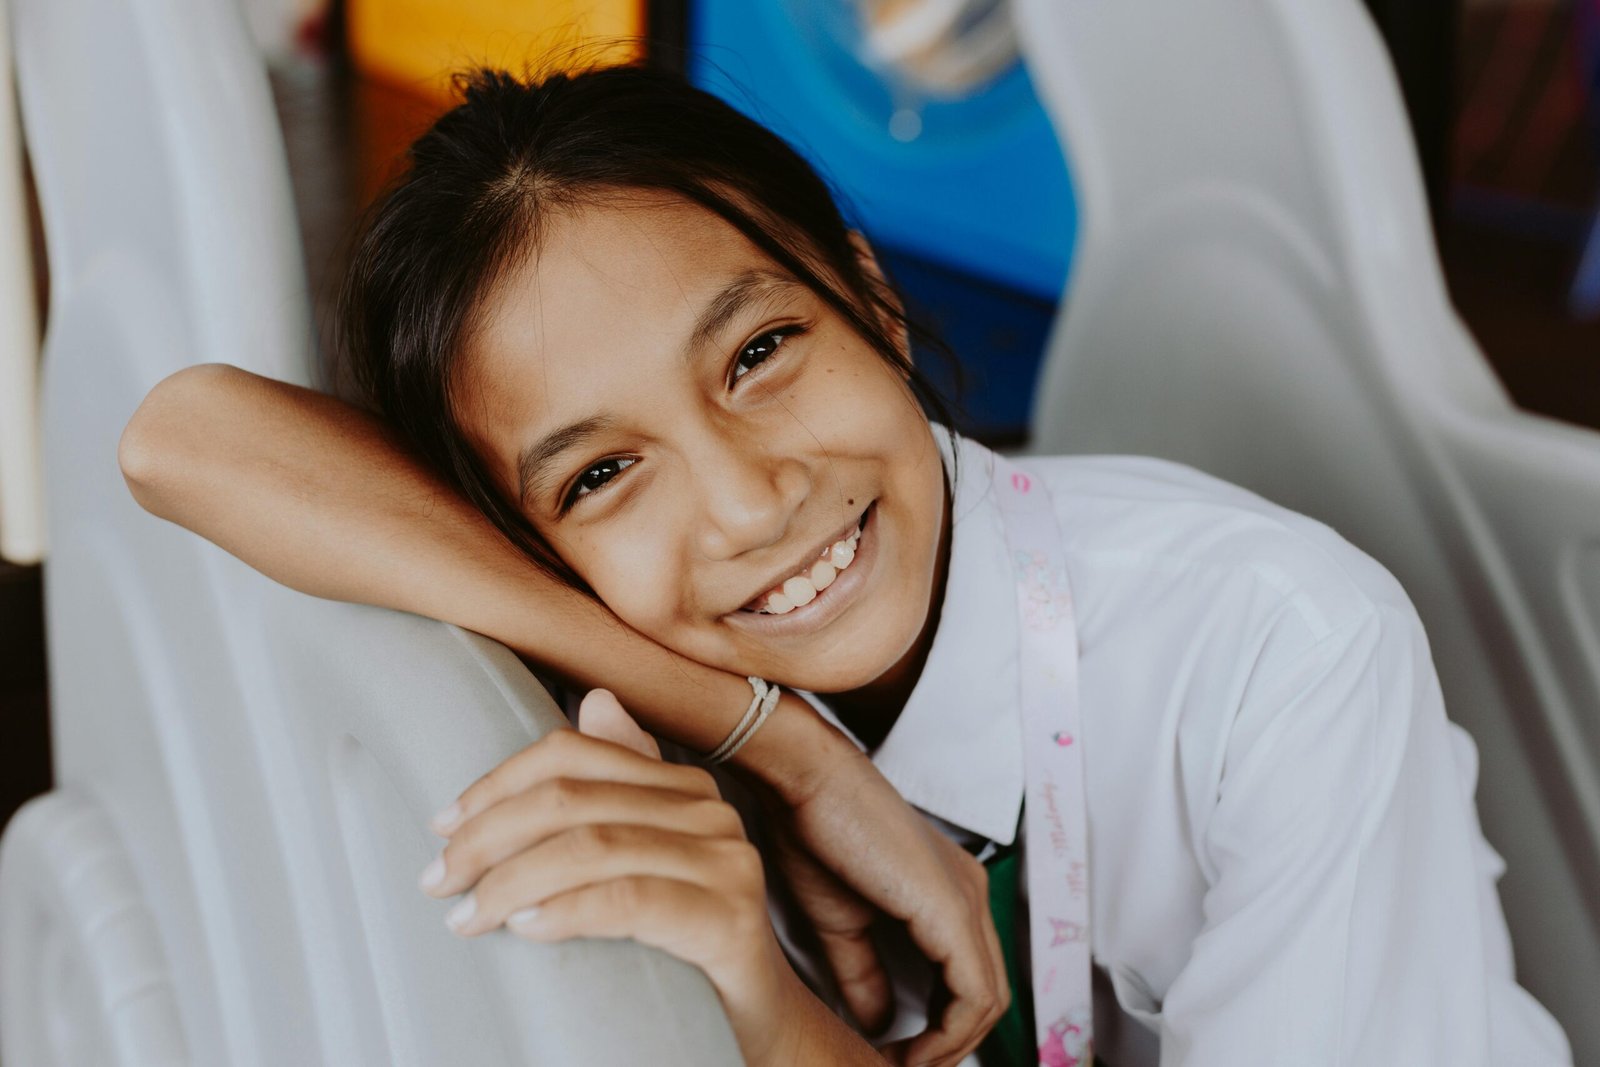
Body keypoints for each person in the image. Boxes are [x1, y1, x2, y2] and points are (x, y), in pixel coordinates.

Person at [117, 63, 1572, 1067]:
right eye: (601, 473)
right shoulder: (631, 696)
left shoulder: (1280, 649)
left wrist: (774, 908)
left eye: (759, 354)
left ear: (871, 304)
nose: (753, 501)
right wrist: (788, 762)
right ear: (523, 544)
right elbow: (179, 436)